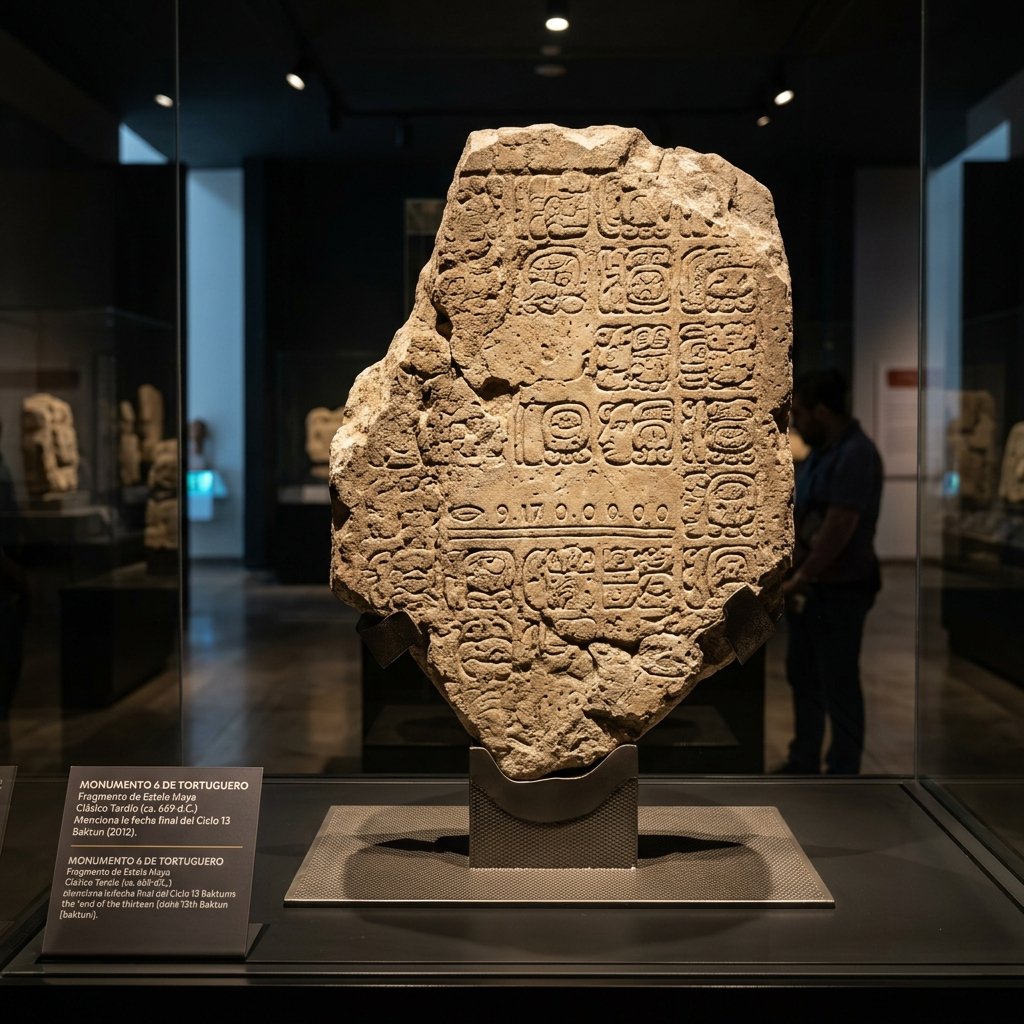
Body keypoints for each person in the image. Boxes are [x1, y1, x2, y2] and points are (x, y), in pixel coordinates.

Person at [778, 369, 883, 775]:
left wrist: (802, 577)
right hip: (812, 585)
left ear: (822, 411)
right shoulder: (824, 452)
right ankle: (803, 759)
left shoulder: (856, 453)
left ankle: (843, 770)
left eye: (800, 413)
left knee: (837, 681)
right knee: (803, 676)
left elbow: (839, 526)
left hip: (840, 588)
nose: (796, 422)